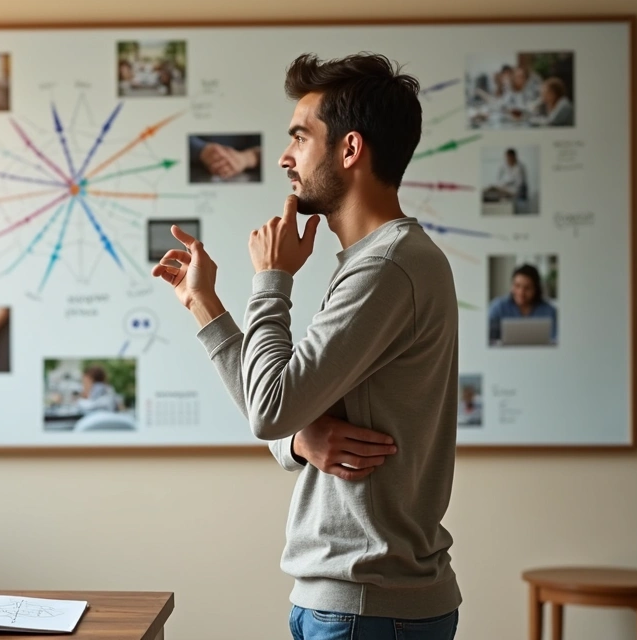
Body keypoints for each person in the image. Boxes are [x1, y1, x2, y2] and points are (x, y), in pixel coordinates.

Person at [152, 52, 461, 639]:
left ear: (349, 149)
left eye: (299, 136)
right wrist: (204, 305)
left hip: (368, 605)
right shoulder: (377, 263)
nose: (284, 157)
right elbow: (279, 416)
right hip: (350, 601)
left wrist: (272, 280)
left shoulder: (388, 268)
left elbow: (269, 409)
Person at [487, 263, 557, 344]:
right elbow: (487, 338)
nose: (521, 292)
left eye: (527, 288)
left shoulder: (549, 311)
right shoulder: (498, 307)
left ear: (536, 289)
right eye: (517, 286)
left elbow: (555, 340)